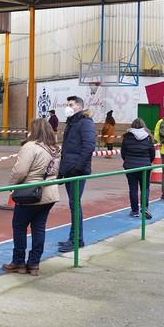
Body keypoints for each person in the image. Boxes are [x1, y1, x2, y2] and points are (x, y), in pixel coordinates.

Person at [2, 118, 60, 275]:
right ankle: (34, 264)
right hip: (49, 193)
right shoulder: (54, 148)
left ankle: (18, 262)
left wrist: (11, 186)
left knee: (19, 226)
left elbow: (20, 171)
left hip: (30, 193)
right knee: (39, 228)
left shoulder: (30, 147)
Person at [57, 96, 96, 252]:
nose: (68, 107)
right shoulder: (72, 123)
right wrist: (61, 172)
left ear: (79, 106)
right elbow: (66, 150)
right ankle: (73, 238)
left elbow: (88, 147)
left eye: (71, 104)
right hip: (69, 170)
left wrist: (77, 169)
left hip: (77, 171)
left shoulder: (85, 123)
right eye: (67, 104)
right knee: (73, 204)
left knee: (75, 204)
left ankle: (76, 239)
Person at [121, 118, 155, 219]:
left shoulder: (127, 137)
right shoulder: (148, 137)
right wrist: (148, 162)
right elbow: (152, 153)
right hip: (145, 166)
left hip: (130, 166)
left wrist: (127, 161)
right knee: (145, 187)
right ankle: (145, 207)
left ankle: (134, 210)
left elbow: (123, 153)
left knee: (133, 188)